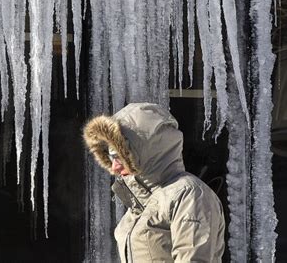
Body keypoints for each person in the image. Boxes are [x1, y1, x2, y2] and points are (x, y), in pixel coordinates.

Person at [83, 103, 225, 262]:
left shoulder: (189, 195)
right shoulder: (139, 207)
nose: (115, 167)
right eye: (110, 157)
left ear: (145, 150)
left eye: (118, 156)